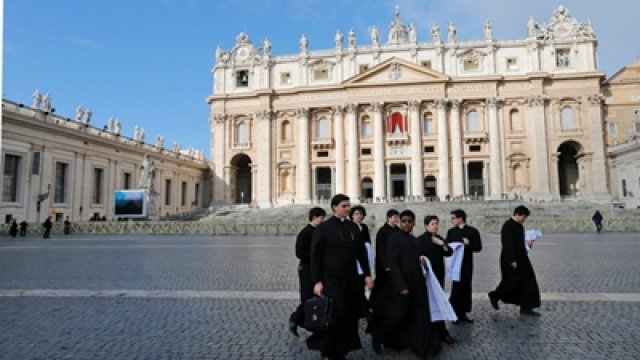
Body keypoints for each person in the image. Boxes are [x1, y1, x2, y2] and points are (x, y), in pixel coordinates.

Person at [307, 194, 373, 360]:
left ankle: (341, 350)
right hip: (331, 278)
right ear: (334, 207)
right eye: (344, 206)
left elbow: (361, 253)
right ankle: (328, 349)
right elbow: (315, 256)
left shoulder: (353, 227)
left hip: (350, 278)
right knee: (336, 313)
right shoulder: (323, 228)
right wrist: (317, 281)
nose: (348, 209)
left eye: (348, 206)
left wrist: (367, 274)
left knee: (350, 314)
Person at [368, 210, 441, 358]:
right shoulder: (394, 239)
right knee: (396, 316)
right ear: (400, 223)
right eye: (404, 221)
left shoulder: (414, 240)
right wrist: (401, 286)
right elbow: (393, 263)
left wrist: (423, 262)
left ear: (414, 223)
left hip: (416, 284)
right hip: (399, 286)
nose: (407, 224)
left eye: (409, 221)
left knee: (415, 315)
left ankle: (416, 343)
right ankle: (377, 337)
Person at [489, 206, 541, 316]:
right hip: (510, 259)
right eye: (524, 217)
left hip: (522, 258)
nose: (524, 220)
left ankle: (526, 307)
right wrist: (512, 259)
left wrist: (527, 245)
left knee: (528, 281)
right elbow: (507, 244)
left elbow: (519, 242)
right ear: (518, 214)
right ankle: (495, 295)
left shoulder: (519, 226)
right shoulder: (508, 226)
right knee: (511, 282)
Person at [417, 215, 455, 345]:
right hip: (426, 277)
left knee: (439, 302)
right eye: (433, 224)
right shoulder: (420, 240)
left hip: (439, 276)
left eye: (436, 224)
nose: (435, 226)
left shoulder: (439, 239)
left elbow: (449, 252)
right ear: (426, 225)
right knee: (427, 304)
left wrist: (443, 244)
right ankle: (429, 332)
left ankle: (442, 332)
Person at [289, 206, 326, 337]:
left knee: (317, 297)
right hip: (306, 269)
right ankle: (295, 319)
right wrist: (315, 255)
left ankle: (313, 323)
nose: (323, 220)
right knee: (307, 298)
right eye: (321, 218)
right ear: (314, 218)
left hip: (318, 269)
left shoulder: (320, 231)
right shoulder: (305, 232)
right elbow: (299, 252)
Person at [446, 209, 482, 323]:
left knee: (466, 287)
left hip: (466, 263)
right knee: (456, 288)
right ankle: (453, 313)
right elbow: (447, 246)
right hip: (455, 264)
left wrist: (469, 244)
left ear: (460, 218)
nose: (452, 220)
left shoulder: (473, 231)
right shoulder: (451, 232)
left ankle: (463, 313)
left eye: (453, 218)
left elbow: (478, 247)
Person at [350, 205, 373, 318]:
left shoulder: (364, 226)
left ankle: (363, 308)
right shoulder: (350, 227)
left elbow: (368, 241)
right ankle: (363, 309)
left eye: (360, 214)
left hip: (365, 257)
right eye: (356, 214)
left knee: (363, 283)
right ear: (352, 215)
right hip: (354, 259)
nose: (359, 216)